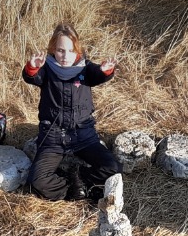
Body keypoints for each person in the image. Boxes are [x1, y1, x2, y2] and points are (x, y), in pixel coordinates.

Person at [22, 23, 121, 202]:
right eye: (60, 50)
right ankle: (74, 186)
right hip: (52, 137)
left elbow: (98, 74)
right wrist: (32, 67)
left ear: (77, 50)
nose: (65, 56)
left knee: (112, 167)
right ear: (53, 49)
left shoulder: (85, 68)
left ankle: (80, 178)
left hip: (83, 134)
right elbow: (33, 77)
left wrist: (105, 70)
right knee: (36, 182)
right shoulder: (46, 68)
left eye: (70, 50)